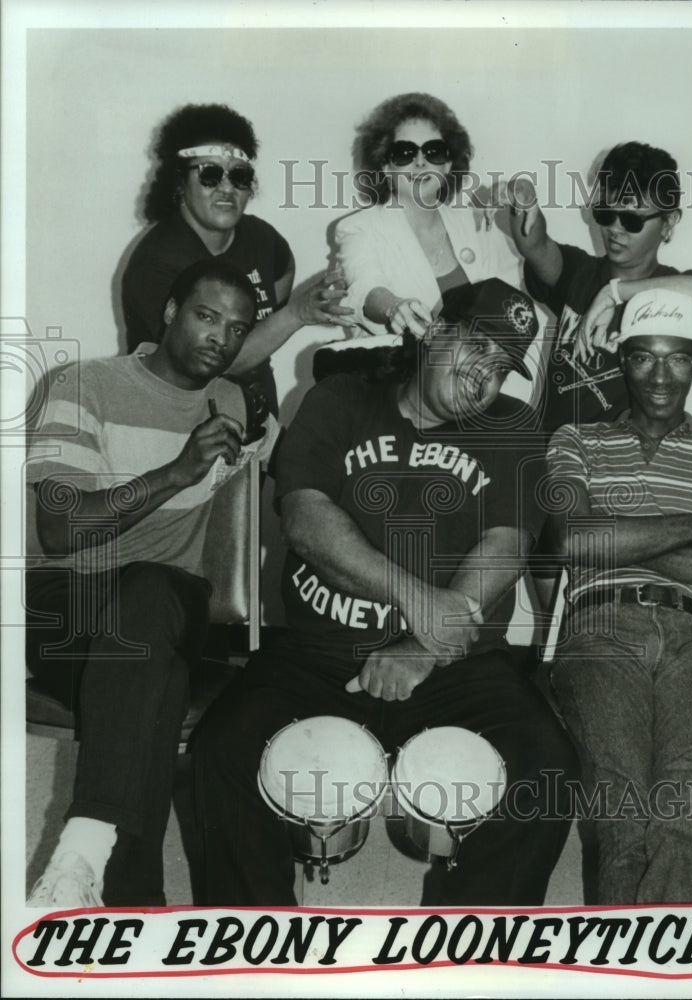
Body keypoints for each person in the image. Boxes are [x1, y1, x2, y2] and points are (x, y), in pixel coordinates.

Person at [192, 278, 577, 906]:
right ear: (436, 331)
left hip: (460, 660)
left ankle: (466, 955)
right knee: (224, 752)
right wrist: (418, 601)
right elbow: (307, 522)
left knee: (547, 768)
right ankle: (253, 953)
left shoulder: (513, 424)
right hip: (319, 651)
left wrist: (425, 647)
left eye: (503, 368)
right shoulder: (339, 398)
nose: (486, 379)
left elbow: (506, 546)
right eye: (477, 351)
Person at [26, 259, 278, 907]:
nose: (220, 337)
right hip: (70, 610)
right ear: (169, 313)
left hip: (170, 605)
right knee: (150, 686)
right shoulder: (84, 384)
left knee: (153, 596)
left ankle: (82, 853)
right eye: (206, 316)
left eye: (237, 328)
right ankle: (135, 906)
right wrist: (175, 471)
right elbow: (57, 531)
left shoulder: (227, 402)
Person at [545, 288, 692, 904]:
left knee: (691, 813)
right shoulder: (574, 440)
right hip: (598, 630)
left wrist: (621, 539)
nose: (660, 375)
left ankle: (677, 978)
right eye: (642, 357)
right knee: (623, 820)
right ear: (621, 362)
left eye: (676, 358)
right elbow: (576, 543)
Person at [121, 102, 352, 418]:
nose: (226, 188)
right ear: (179, 184)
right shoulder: (156, 263)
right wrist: (297, 314)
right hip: (174, 421)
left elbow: (282, 274)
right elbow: (207, 364)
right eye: (210, 174)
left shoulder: (263, 239)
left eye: (239, 176)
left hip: (255, 415)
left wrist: (279, 321)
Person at [508, 140, 692, 435]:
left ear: (668, 222)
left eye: (632, 220)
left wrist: (615, 293)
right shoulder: (578, 272)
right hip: (552, 454)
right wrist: (523, 196)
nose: (615, 229)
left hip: (620, 463)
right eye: (606, 214)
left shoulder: (674, 295)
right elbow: (534, 243)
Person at [334, 92, 532, 339]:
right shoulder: (358, 228)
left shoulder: (476, 220)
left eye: (433, 151)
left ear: (447, 164)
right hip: (399, 374)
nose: (420, 162)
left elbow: (520, 283)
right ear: (385, 166)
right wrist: (393, 307)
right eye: (405, 152)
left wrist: (522, 202)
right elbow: (364, 288)